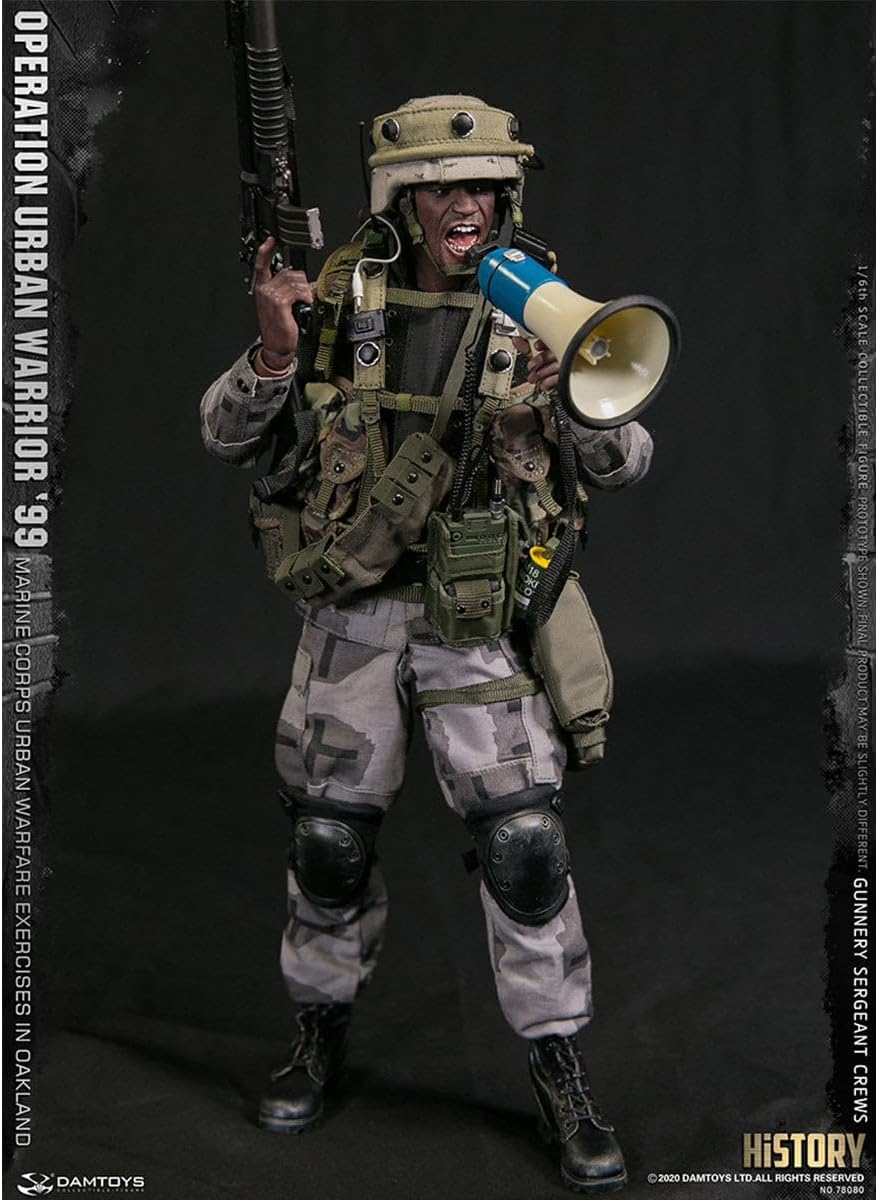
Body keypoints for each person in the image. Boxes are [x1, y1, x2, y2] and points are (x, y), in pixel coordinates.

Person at [201, 95, 654, 1193]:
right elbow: (223, 433)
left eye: (488, 188)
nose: (470, 207)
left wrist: (571, 404)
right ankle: (318, 1028)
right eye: (446, 188)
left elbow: (627, 462)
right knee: (328, 842)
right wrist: (274, 351)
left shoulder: (537, 304)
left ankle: (556, 1062)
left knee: (525, 849)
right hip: (353, 615)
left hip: (476, 620)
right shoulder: (337, 297)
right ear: (401, 201)